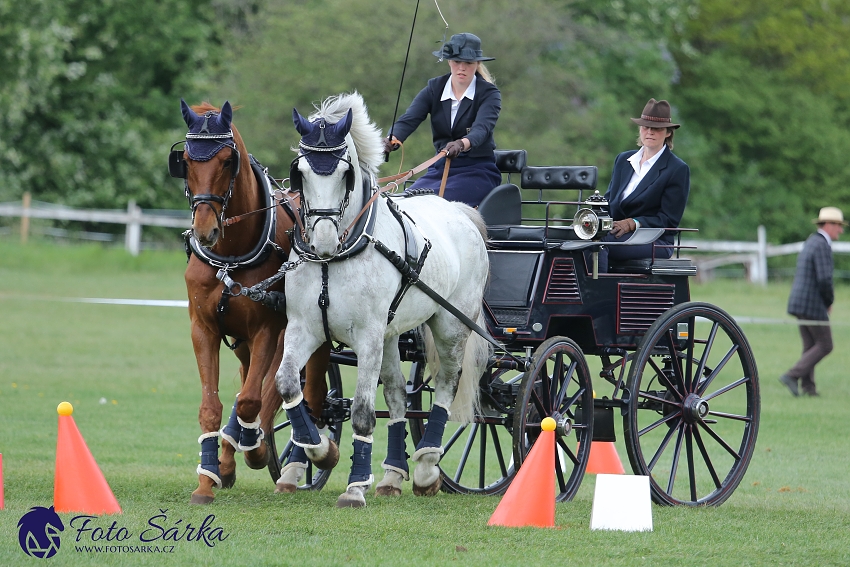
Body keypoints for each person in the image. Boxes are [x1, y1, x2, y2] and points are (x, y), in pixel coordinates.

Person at [383, 32, 501, 208]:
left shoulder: (489, 94)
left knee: (434, 206)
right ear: (448, 61)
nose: (461, 67)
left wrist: (461, 144)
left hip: (477, 172)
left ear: (477, 63)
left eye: (468, 63)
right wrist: (391, 139)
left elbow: (482, 129)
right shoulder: (434, 88)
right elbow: (409, 119)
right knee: (401, 205)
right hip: (438, 170)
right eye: (456, 61)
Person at [596, 98, 690, 272]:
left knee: (599, 244)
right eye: (645, 127)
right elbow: (609, 202)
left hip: (654, 240)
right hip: (617, 234)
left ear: (668, 133)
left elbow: (668, 219)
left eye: (656, 129)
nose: (650, 132)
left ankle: (596, 296)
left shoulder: (677, 169)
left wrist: (634, 222)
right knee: (578, 238)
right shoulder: (623, 160)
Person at [779, 207, 845, 397]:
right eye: (838, 226)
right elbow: (825, 279)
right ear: (829, 225)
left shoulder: (812, 241)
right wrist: (829, 301)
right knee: (825, 344)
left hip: (800, 302)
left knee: (810, 345)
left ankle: (809, 388)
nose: (840, 230)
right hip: (812, 304)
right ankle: (792, 375)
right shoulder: (822, 245)